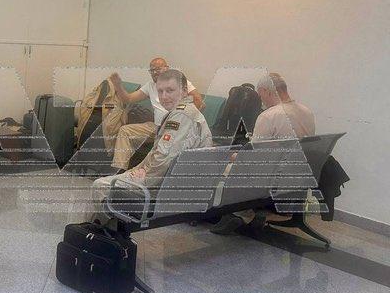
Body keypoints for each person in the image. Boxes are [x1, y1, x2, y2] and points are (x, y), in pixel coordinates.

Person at [88, 69, 213, 220]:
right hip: (176, 180)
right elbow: (162, 154)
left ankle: (106, 230)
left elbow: (165, 159)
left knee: (101, 186)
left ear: (185, 91)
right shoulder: (185, 111)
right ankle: (107, 225)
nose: (164, 97)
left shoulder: (181, 115)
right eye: (160, 91)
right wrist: (137, 170)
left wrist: (144, 179)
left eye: (170, 90)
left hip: (169, 187)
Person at [210, 72, 315, 234]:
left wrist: (228, 155)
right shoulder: (306, 111)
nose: (261, 100)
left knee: (219, 165)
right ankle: (253, 212)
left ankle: (240, 213)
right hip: (297, 174)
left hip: (271, 177)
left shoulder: (268, 116)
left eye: (260, 95)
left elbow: (253, 157)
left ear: (266, 91)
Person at [108, 57, 205, 172]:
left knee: (165, 144)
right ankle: (118, 171)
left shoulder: (179, 82)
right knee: (125, 131)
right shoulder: (150, 85)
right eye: (152, 70)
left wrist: (183, 120)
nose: (154, 72)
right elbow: (128, 99)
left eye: (158, 69)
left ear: (167, 68)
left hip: (174, 127)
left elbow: (198, 100)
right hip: (156, 126)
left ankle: (145, 176)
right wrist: (118, 86)